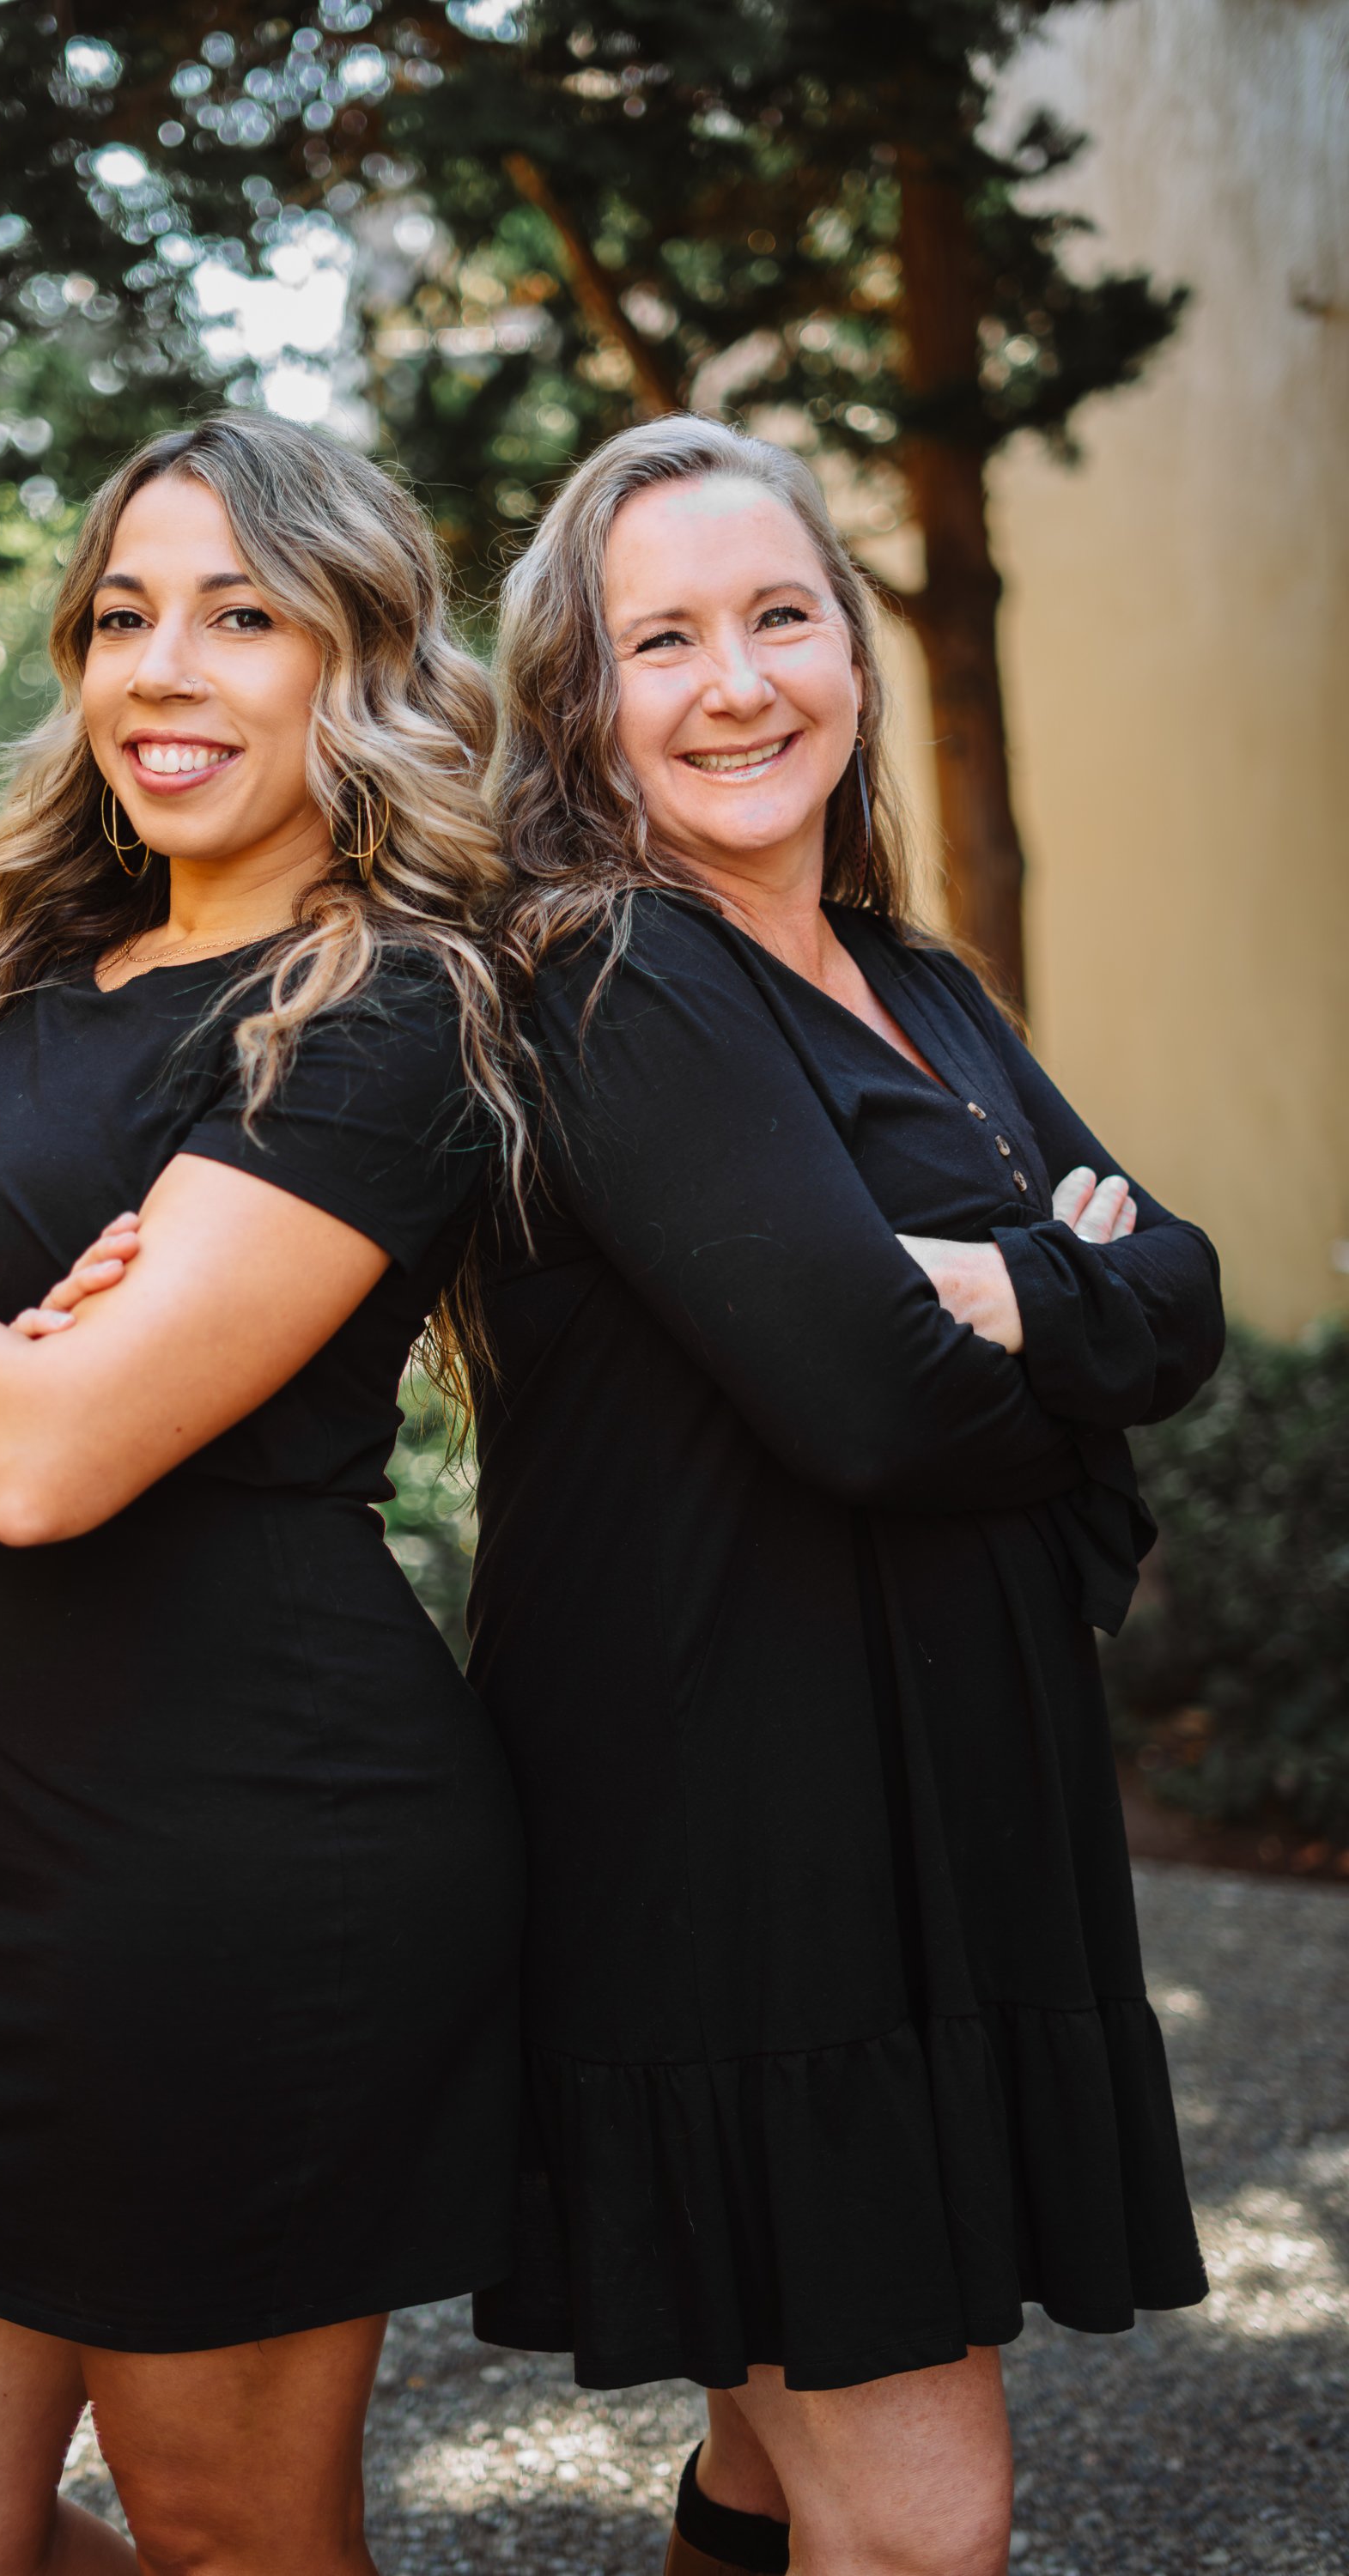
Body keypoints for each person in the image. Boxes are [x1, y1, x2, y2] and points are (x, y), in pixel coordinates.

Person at [0, 416, 526, 2576]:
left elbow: (33, 1461)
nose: (162, 668)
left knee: (230, 2535)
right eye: (120, 617)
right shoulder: (14, 986)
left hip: (256, 1861)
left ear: (352, 656)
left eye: (239, 616)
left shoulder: (384, 1012)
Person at [467, 416, 1223, 2576]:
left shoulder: (917, 986)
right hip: (748, 1829)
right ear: (577, 703)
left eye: (781, 617)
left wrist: (1006, 1288)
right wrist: (1058, 1320)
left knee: (770, 2456)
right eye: (663, 639)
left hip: (932, 1794)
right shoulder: (615, 969)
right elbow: (870, 1407)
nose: (736, 685)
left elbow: (1185, 1292)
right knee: (919, 2519)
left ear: (856, 659)